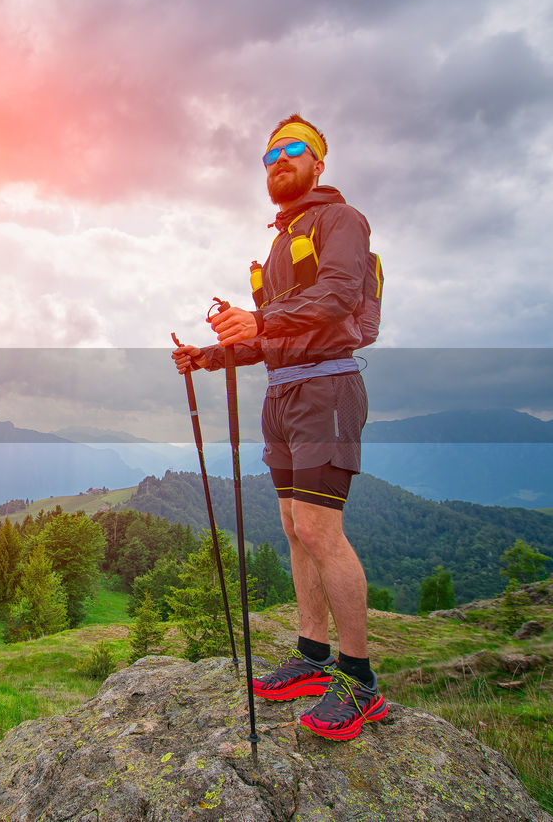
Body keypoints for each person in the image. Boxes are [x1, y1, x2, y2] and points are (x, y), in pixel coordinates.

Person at [171, 113, 385, 741]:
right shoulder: (280, 239)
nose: (278, 161)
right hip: (285, 392)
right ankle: (314, 657)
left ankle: (359, 681)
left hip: (327, 387)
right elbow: (272, 336)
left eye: (294, 150)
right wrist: (210, 356)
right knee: (295, 528)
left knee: (321, 527)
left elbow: (342, 295)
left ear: (319, 163)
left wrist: (258, 323)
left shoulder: (341, 221)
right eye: (269, 154)